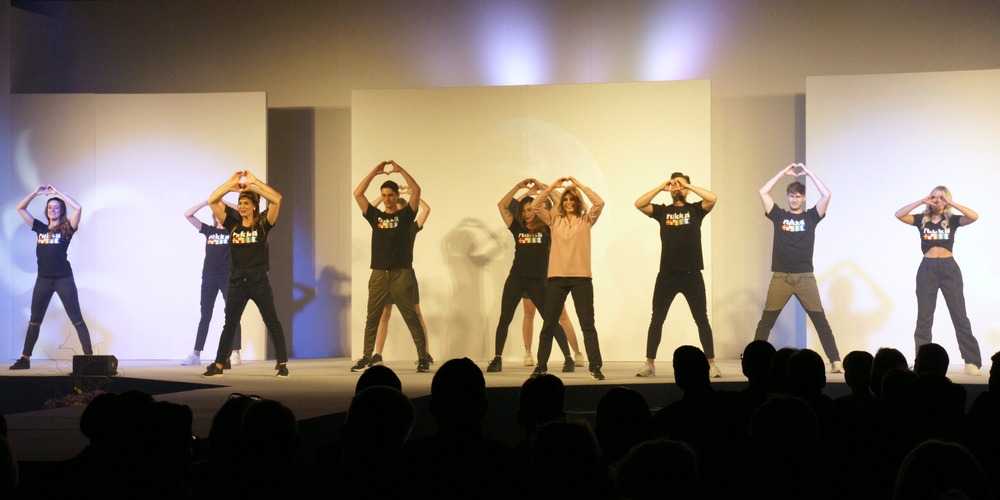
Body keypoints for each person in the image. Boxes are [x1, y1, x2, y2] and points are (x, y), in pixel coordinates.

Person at [753, 163, 842, 373]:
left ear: (804, 198)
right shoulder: (779, 216)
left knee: (819, 320)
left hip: (804, 277)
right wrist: (782, 173)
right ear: (787, 197)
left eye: (798, 196)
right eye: (791, 196)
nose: (794, 199)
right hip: (781, 276)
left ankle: (835, 361)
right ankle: (754, 360)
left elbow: (827, 195)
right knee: (767, 320)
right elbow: (763, 192)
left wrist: (809, 173)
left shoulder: (810, 217)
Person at [201, 170, 288, 378]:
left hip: (258, 278)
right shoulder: (232, 223)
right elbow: (212, 201)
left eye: (246, 203)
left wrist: (255, 183)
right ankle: (219, 365)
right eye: (240, 203)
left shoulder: (264, 223)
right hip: (237, 279)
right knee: (230, 323)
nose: (241, 206)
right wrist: (229, 185)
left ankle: (282, 363)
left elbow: (277, 199)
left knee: (271, 320)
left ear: (255, 206)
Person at [635, 172, 720, 378]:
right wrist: (661, 187)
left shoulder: (696, 210)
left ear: (687, 189)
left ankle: (711, 364)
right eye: (674, 185)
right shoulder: (663, 212)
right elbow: (639, 204)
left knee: (701, 319)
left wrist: (687, 186)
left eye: (681, 185)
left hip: (692, 273)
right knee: (657, 319)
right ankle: (649, 364)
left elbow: (713, 198)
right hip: (667, 273)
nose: (677, 188)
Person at [488, 179, 574, 373]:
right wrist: (518, 187)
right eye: (524, 210)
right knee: (505, 318)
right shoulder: (517, 227)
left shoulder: (547, 227)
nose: (527, 214)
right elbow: (502, 205)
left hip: (537, 281)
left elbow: (559, 203)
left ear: (537, 210)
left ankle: (568, 358)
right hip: (516, 279)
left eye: (530, 210)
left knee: (550, 320)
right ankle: (497, 359)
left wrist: (545, 188)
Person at [894, 186, 982, 375]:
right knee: (924, 318)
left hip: (949, 269)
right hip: (927, 269)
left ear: (947, 199)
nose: (937, 200)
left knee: (959, 316)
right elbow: (899, 214)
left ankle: (971, 361)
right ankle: (922, 364)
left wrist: (951, 203)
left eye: (942, 198)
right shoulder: (922, 220)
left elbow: (974, 216)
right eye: (935, 197)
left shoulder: (952, 220)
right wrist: (921, 201)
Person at [352, 161, 430, 372]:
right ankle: (366, 357)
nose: (387, 199)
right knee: (372, 317)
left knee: (411, 317)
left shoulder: (405, 216)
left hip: (401, 274)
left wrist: (401, 170)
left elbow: (416, 190)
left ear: (397, 196)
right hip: (378, 274)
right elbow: (358, 194)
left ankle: (423, 358)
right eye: (384, 195)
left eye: (390, 195)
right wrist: (373, 172)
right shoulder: (375, 216)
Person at [11, 185, 92, 370]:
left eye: (56, 207)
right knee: (34, 321)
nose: (52, 210)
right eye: (49, 207)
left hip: (64, 279)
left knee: (77, 320)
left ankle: (90, 360)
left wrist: (57, 193)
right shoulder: (40, 228)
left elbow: (78, 208)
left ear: (61, 210)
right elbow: (20, 208)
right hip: (43, 281)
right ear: (46, 211)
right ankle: (25, 359)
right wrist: (35, 193)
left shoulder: (67, 229)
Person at [532, 177, 606, 380]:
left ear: (578, 202)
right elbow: (536, 205)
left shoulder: (586, 220)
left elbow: (599, 202)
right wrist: (552, 187)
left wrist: (579, 185)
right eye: (565, 200)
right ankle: (541, 366)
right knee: (549, 324)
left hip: (581, 278)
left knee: (587, 325)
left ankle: (595, 367)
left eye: (572, 199)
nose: (569, 203)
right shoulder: (554, 220)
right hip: (556, 278)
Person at [372, 187, 433, 365]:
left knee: (416, 315)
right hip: (387, 273)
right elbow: (370, 209)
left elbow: (426, 210)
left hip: (405, 274)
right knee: (384, 314)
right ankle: (377, 354)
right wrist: (385, 197)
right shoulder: (384, 225)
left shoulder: (411, 227)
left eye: (400, 210)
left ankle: (425, 353)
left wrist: (411, 195)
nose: (396, 213)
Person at [181, 199, 241, 366]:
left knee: (232, 313)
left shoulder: (233, 230)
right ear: (214, 216)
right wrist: (206, 202)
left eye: (222, 213)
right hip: (209, 276)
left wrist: (223, 201)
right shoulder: (209, 230)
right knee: (205, 315)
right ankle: (196, 354)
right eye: (216, 213)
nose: (219, 216)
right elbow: (188, 215)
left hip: (227, 276)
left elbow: (242, 212)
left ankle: (236, 353)